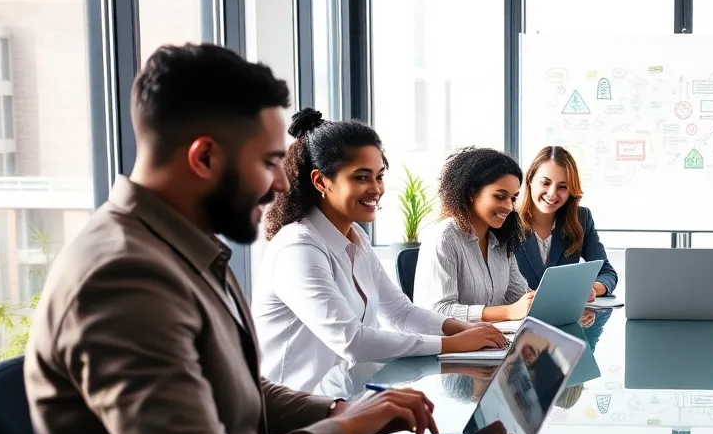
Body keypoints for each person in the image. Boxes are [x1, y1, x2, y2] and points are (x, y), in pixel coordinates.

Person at [24, 44, 441, 434]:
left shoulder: (180, 251)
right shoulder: (125, 277)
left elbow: (244, 390)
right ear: (204, 157)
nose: (281, 183)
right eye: (269, 161)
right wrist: (343, 432)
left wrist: (342, 412)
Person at [254, 110, 505, 394]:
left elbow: (399, 312)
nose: (375, 189)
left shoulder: (356, 237)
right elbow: (352, 341)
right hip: (295, 408)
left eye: (379, 176)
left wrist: (459, 328)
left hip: (345, 396)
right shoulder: (297, 248)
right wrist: (450, 344)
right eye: (361, 177)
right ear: (321, 181)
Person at [413, 147, 534, 321]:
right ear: (472, 193)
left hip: (493, 336)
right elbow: (438, 310)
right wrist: (507, 312)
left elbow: (519, 295)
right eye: (500, 197)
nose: (509, 207)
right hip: (448, 338)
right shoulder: (445, 237)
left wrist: (543, 299)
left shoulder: (500, 240)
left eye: (513, 198)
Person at [515, 145, 617, 299]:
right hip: (514, 312)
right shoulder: (507, 219)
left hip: (563, 311)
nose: (552, 194)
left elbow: (606, 272)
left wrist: (591, 289)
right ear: (530, 180)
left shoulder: (581, 218)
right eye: (545, 183)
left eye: (562, 187)